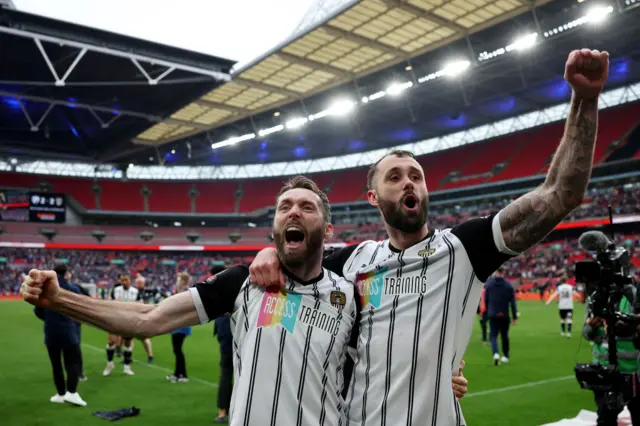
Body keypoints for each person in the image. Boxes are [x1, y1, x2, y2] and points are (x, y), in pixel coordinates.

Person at [248, 49, 608, 425]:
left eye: (415, 176)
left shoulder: (463, 249)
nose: (408, 181)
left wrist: (584, 100)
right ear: (373, 197)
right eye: (395, 176)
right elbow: (300, 258)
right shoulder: (354, 260)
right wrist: (268, 254)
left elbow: (559, 195)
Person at [20, 176, 467, 426]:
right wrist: (62, 300)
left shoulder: (349, 294)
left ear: (328, 232)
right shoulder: (243, 283)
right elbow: (148, 319)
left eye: (307, 207)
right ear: (273, 226)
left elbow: (386, 357)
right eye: (284, 206)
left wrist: (441, 379)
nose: (294, 211)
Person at [582, 294, 640, 425]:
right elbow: (586, 333)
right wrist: (591, 327)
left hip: (634, 371)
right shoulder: (595, 298)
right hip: (604, 371)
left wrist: (629, 327)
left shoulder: (634, 295)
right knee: (605, 419)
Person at [34, 264, 86, 406]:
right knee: (73, 363)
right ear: (66, 273)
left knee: (56, 364)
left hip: (51, 331)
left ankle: (60, 394)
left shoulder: (45, 290)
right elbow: (80, 308)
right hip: (68, 331)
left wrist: (51, 319)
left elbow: (38, 311)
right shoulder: (72, 289)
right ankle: (72, 393)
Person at [210, 265, 233, 423]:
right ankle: (224, 409)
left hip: (227, 330)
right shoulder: (233, 283)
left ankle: (223, 410)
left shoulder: (218, 286)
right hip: (230, 330)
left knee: (226, 372)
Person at [103, 275, 138, 377]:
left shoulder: (135, 292)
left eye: (126, 280)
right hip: (116, 319)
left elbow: (140, 305)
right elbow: (109, 303)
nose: (124, 282)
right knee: (111, 342)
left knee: (127, 343)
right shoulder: (115, 290)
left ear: (130, 281)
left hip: (129, 320)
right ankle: (109, 364)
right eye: (122, 280)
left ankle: (127, 367)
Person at [485, 267, 518, 365]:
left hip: (493, 314)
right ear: (503, 272)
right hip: (504, 314)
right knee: (504, 336)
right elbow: (512, 303)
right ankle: (505, 356)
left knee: (493, 335)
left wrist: (488, 311)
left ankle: (495, 354)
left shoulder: (489, 285)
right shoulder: (508, 285)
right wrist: (514, 316)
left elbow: (486, 300)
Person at [167, 271, 192, 383]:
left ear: (183, 280)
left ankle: (183, 375)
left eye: (178, 279)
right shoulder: (182, 292)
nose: (177, 282)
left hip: (181, 325)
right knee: (176, 350)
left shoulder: (186, 293)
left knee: (178, 350)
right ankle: (178, 374)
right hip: (178, 325)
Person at [134, 275, 155, 363]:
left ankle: (150, 356)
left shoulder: (144, 292)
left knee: (144, 338)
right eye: (137, 283)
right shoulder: (134, 291)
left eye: (140, 283)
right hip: (134, 316)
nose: (138, 284)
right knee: (128, 337)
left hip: (143, 316)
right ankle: (127, 357)